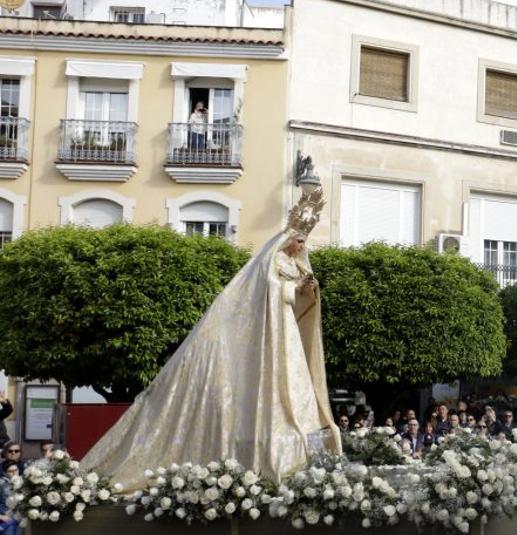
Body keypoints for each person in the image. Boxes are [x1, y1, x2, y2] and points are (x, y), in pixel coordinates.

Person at [80, 185, 340, 489]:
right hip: (272, 327)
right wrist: (292, 289)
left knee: (295, 383)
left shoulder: (296, 264)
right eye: (298, 239)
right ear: (288, 239)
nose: (301, 245)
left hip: (286, 330)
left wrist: (308, 288)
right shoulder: (272, 261)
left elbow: (302, 295)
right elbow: (267, 290)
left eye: (303, 241)